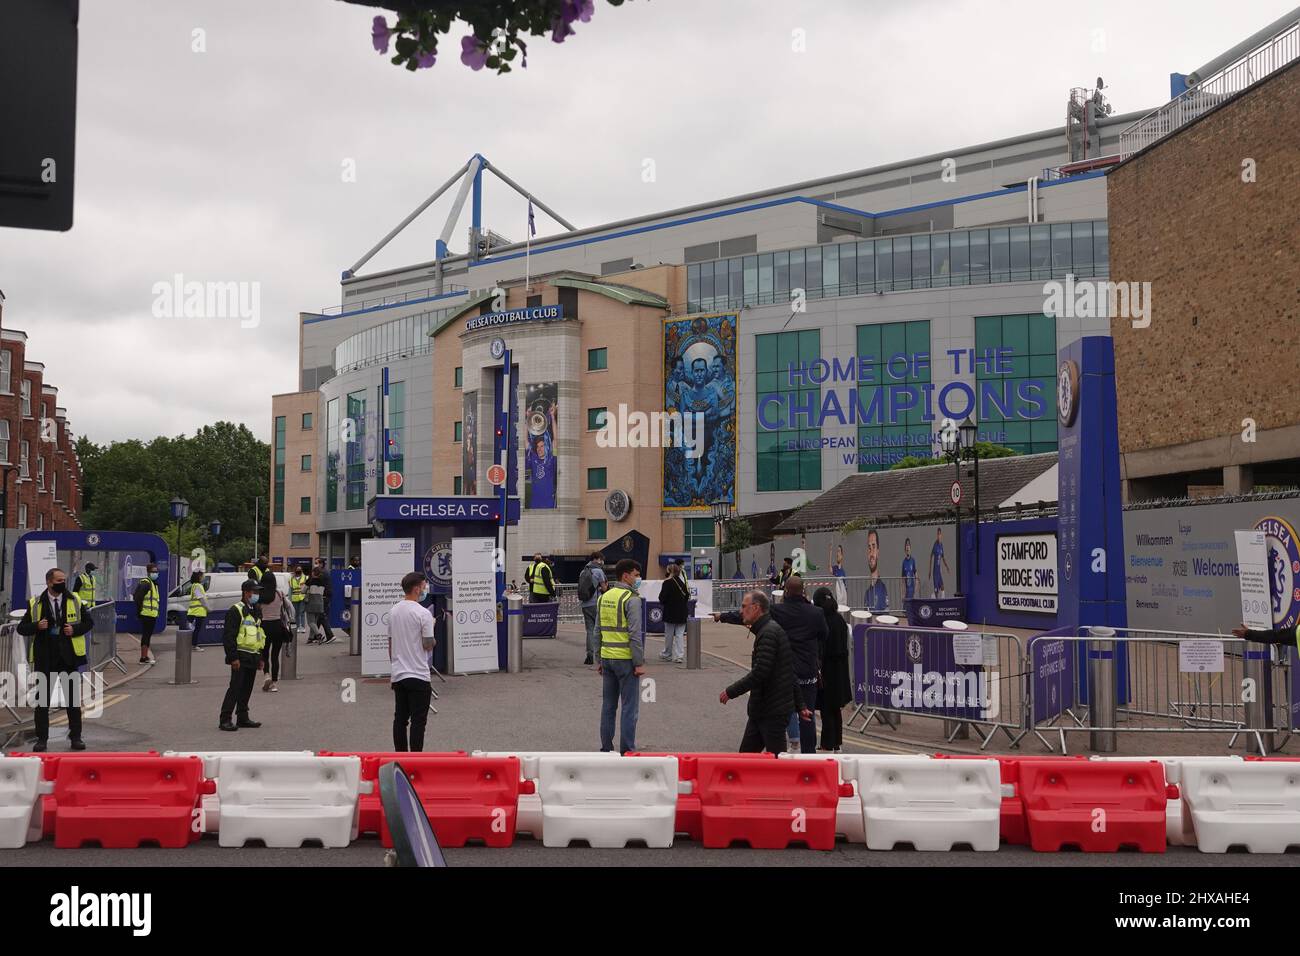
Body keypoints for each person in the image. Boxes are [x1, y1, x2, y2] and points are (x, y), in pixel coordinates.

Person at [716, 574, 825, 753]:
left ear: (756, 608)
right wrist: (801, 706)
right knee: (747, 760)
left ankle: (802, 772)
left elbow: (761, 672)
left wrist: (730, 691)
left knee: (775, 760)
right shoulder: (774, 628)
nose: (741, 611)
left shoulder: (771, 630)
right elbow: (790, 669)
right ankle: (806, 758)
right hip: (771, 702)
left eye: (744, 607)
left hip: (772, 709)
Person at [17, 567, 94, 752]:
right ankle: (41, 739)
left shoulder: (74, 599)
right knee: (42, 701)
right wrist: (37, 625)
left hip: (68, 657)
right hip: (46, 658)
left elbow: (89, 623)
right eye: (59, 580)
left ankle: (76, 737)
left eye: (64, 580)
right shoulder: (36, 603)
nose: (63, 583)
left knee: (72, 701)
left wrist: (74, 630)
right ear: (49, 582)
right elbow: (22, 628)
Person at [596, 559, 644, 754]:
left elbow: (596, 631)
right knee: (629, 708)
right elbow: (635, 634)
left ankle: (606, 748)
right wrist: (639, 662)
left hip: (607, 658)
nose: (638, 578)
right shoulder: (631, 599)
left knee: (608, 706)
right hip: (625, 660)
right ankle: (627, 750)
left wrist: (598, 659)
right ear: (625, 575)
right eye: (636, 574)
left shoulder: (604, 597)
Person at [390, 571, 436, 752]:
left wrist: (393, 668)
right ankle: (416, 758)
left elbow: (390, 643)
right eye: (424, 587)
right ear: (417, 589)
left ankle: (401, 756)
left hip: (399, 673)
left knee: (400, 719)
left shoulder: (393, 611)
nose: (425, 590)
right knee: (418, 721)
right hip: (418, 673)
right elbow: (428, 645)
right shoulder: (423, 614)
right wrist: (432, 627)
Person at [219, 580, 265, 732]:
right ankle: (225, 719)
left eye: (258, 592)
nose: (257, 595)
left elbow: (259, 635)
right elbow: (228, 636)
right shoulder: (236, 610)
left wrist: (260, 658)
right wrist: (233, 657)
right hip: (240, 656)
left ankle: (242, 717)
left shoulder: (255, 610)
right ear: (246, 592)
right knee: (235, 688)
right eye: (255, 592)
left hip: (252, 656)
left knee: (247, 688)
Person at [812, 586, 852, 752]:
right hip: (840, 670)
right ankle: (837, 742)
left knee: (826, 709)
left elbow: (820, 646)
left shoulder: (823, 620)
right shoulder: (840, 620)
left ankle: (827, 744)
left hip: (827, 669)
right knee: (835, 708)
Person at [259, 580, 294, 693]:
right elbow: (290, 607)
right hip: (277, 626)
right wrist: (291, 619)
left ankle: (267, 675)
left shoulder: (260, 594)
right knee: (275, 655)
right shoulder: (280, 593)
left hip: (264, 626)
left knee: (265, 654)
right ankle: (274, 684)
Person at [577, 551, 608, 666]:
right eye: (601, 559)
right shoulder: (599, 571)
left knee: (589, 630)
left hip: (585, 604)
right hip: (596, 604)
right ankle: (601, 655)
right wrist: (600, 589)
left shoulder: (583, 571)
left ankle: (589, 655)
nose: (602, 562)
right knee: (600, 629)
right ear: (597, 559)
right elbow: (604, 588)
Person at [659, 559, 691, 663]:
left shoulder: (667, 583)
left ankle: (667, 654)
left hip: (670, 612)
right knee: (680, 634)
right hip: (682, 612)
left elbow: (662, 598)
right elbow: (687, 595)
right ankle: (679, 656)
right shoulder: (681, 582)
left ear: (670, 571)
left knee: (669, 634)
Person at [132, 563, 161, 665]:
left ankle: (145, 656)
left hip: (151, 614)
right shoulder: (146, 583)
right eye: (153, 571)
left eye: (156, 571)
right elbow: (137, 597)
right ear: (148, 572)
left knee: (147, 635)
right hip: (146, 614)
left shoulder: (153, 584)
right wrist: (139, 611)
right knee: (146, 635)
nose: (155, 573)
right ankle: (143, 658)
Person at [865, 529, 889, 611]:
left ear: (878, 552)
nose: (871, 553)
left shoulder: (882, 589)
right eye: (869, 548)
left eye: (874, 546)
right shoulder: (867, 592)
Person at [187, 569, 210, 652]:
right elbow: (201, 599)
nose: (203, 576)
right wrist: (207, 608)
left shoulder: (196, 585)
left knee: (195, 629)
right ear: (199, 576)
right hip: (197, 612)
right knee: (196, 630)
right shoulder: (197, 586)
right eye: (202, 575)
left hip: (195, 612)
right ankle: (194, 645)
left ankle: (193, 645)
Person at [927, 528, 950, 599]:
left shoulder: (941, 545)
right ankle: (934, 598)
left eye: (939, 534)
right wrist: (930, 570)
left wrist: (947, 566)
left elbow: (943, 557)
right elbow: (931, 556)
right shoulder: (935, 544)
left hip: (939, 572)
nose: (938, 536)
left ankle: (942, 601)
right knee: (936, 590)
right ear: (936, 535)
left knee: (942, 587)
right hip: (935, 572)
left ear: (941, 535)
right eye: (937, 534)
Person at [288, 565, 308, 633]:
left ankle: (302, 627)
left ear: (301, 570)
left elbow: (307, 588)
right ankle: (297, 627)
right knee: (296, 614)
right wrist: (289, 599)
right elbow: (290, 590)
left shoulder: (305, 578)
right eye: (297, 569)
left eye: (300, 569)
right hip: (294, 598)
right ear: (295, 570)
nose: (298, 570)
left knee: (302, 613)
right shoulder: (291, 579)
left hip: (302, 598)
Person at [901, 538, 918, 602]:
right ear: (905, 550)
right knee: (906, 610)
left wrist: (915, 590)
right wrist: (903, 594)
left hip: (912, 590)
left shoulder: (913, 560)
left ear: (910, 548)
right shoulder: (904, 562)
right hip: (906, 591)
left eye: (908, 546)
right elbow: (902, 580)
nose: (907, 548)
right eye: (906, 546)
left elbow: (916, 575)